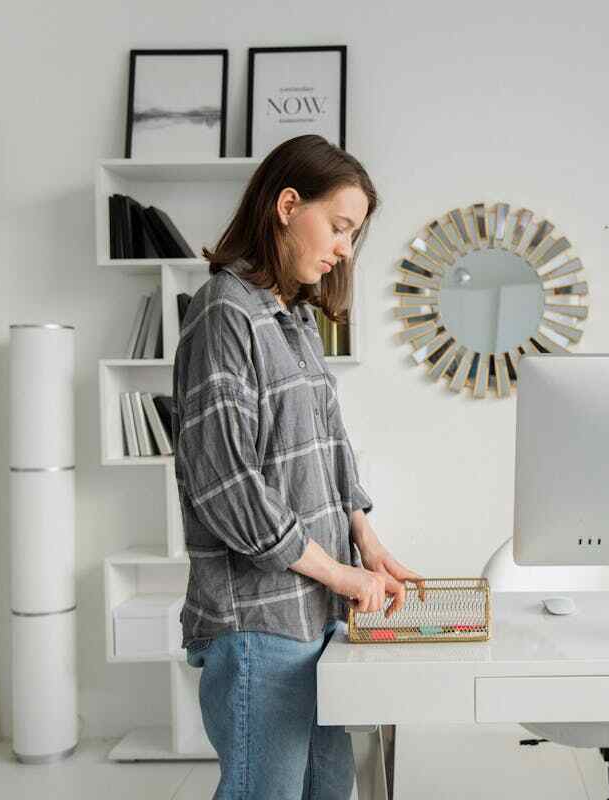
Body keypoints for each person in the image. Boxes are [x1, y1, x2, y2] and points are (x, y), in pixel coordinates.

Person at [173, 134, 421, 799]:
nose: (345, 248)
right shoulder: (222, 315)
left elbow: (328, 447)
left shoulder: (294, 321)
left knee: (330, 790)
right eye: (340, 226)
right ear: (288, 204)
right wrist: (339, 570)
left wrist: (367, 542)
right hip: (259, 626)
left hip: (317, 619)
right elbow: (227, 486)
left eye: (353, 235)